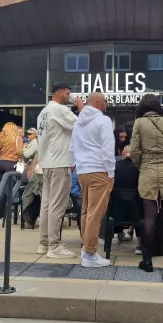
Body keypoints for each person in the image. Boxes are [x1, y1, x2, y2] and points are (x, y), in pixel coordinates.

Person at [129, 94, 163, 273]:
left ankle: (147, 262)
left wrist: (140, 164)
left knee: (149, 217)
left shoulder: (139, 123)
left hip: (148, 170)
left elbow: (134, 151)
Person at [37, 82, 84, 259]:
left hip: (47, 162)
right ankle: (54, 245)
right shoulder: (61, 110)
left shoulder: (43, 112)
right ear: (58, 92)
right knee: (57, 205)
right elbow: (82, 126)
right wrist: (81, 106)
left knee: (47, 205)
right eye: (67, 93)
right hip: (60, 162)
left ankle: (44, 243)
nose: (69, 96)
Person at [70, 92, 116, 268]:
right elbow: (108, 148)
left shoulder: (78, 122)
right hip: (99, 170)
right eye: (105, 101)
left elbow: (72, 147)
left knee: (86, 212)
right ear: (98, 103)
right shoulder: (103, 120)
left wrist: (76, 165)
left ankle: (86, 249)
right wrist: (110, 172)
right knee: (95, 214)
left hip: (83, 171)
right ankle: (90, 253)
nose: (106, 104)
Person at [21, 128, 42, 228]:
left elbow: (27, 154)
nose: (28, 136)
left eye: (30, 134)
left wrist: (24, 148)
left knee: (28, 194)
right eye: (27, 134)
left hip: (35, 173)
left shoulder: (34, 143)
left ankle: (28, 218)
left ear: (35, 135)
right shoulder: (38, 143)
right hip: (38, 172)